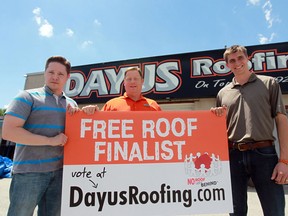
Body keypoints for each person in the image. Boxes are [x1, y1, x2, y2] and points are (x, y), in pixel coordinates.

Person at [211, 45, 288, 216]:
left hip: (264, 154)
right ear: (227, 65)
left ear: (248, 59)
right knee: (235, 212)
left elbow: (282, 120)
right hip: (233, 156)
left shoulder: (269, 83)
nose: (237, 63)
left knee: (274, 211)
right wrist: (215, 117)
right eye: (232, 60)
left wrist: (284, 160)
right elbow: (217, 129)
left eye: (240, 58)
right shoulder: (222, 93)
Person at [2, 56, 78, 216]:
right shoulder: (26, 97)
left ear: (68, 77)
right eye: (51, 72)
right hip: (29, 173)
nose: (55, 77)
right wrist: (50, 141)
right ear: (45, 72)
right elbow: (9, 132)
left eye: (60, 74)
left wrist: (85, 114)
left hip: (60, 173)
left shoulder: (72, 104)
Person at [82, 66, 161, 113]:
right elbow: (98, 126)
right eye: (129, 79)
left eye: (136, 79)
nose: (132, 82)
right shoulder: (111, 105)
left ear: (142, 81)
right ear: (124, 83)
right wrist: (91, 111)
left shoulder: (153, 105)